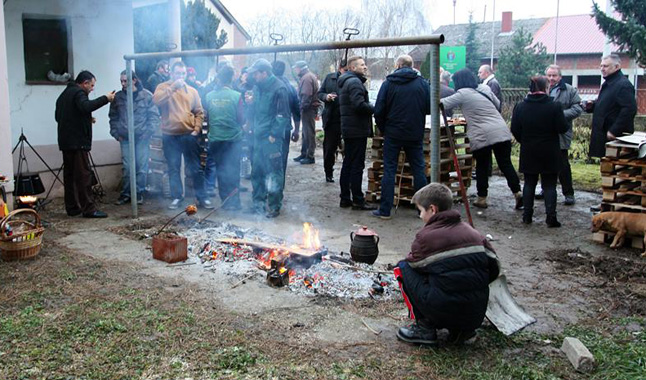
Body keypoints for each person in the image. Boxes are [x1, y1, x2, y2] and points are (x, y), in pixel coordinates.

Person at [394, 183, 500, 346]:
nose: (420, 216)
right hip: (475, 315)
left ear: (432, 209)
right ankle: (461, 330)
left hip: (442, 312)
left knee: (403, 267)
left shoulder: (425, 237)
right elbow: (494, 269)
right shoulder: (473, 233)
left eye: (421, 211)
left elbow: (415, 266)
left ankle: (424, 328)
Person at [441, 68, 522, 210]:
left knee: (482, 166)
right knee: (506, 164)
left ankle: (482, 198)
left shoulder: (462, 93)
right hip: (501, 130)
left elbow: (441, 104)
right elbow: (497, 105)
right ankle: (518, 193)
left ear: (459, 82)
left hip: (481, 134)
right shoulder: (485, 88)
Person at [373, 55, 429, 220]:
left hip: (393, 133)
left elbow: (378, 110)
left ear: (398, 65)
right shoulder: (423, 84)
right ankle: (422, 210)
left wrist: (384, 128)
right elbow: (429, 107)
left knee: (389, 169)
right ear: (412, 66)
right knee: (418, 169)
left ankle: (385, 210)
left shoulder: (388, 84)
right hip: (414, 133)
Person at [153, 61, 212, 210]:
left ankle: (202, 198)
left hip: (188, 135)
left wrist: (196, 129)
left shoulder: (192, 91)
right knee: (173, 168)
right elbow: (157, 101)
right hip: (170, 135)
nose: (181, 76)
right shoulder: (163, 87)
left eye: (183, 74)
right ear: (171, 74)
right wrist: (173, 88)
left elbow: (199, 112)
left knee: (196, 168)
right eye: (178, 73)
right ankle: (177, 197)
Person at [55, 70, 115, 218]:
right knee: (83, 175)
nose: (92, 88)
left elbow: (60, 117)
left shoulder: (64, 95)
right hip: (77, 142)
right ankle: (89, 209)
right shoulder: (78, 93)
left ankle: (73, 207)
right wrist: (106, 98)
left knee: (70, 176)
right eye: (92, 85)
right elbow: (86, 106)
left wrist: (85, 120)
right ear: (85, 83)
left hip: (66, 141)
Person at [511, 76, 568, 227]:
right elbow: (563, 128)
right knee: (549, 185)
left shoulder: (520, 106)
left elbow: (514, 129)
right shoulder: (554, 106)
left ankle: (527, 216)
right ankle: (551, 218)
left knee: (529, 183)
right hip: (550, 150)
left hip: (529, 149)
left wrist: (525, 140)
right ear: (546, 88)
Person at [246, 58, 292, 218]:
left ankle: (274, 206)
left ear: (264, 73)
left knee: (273, 173)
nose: (253, 77)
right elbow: (257, 111)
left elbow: (283, 115)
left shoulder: (279, 88)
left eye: (255, 74)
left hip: (271, 140)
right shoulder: (257, 87)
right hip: (258, 138)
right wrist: (250, 103)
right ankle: (258, 204)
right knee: (257, 171)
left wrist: (274, 135)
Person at [109, 70, 160, 206]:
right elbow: (113, 117)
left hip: (142, 137)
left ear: (134, 80)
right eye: (121, 81)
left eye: (125, 81)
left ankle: (138, 193)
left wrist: (148, 132)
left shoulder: (147, 96)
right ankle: (125, 194)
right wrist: (115, 133)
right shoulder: (118, 97)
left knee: (141, 167)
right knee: (127, 167)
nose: (123, 84)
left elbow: (154, 116)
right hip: (125, 137)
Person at [535, 65, 583, 206]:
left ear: (560, 77)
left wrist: (559, 116)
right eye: (549, 75)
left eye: (554, 75)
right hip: (543, 133)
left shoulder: (569, 90)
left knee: (562, 164)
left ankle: (568, 193)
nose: (551, 78)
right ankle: (545, 189)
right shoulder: (540, 88)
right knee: (544, 163)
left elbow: (577, 108)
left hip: (561, 133)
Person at [337, 56, 376, 211]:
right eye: (361, 65)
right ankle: (358, 200)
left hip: (350, 128)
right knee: (356, 166)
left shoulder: (347, 81)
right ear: (352, 68)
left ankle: (345, 198)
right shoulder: (354, 82)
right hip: (356, 129)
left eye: (364, 64)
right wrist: (375, 108)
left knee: (348, 164)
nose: (365, 67)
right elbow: (359, 105)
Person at [204, 65, 244, 210]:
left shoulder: (209, 96)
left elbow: (207, 118)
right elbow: (241, 119)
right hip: (233, 140)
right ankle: (234, 203)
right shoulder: (236, 96)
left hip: (215, 139)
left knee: (221, 170)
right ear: (232, 77)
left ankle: (225, 202)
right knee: (233, 171)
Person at [587, 54, 637, 158]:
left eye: (605, 66)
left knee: (615, 168)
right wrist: (593, 106)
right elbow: (609, 105)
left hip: (615, 137)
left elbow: (629, 109)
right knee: (605, 167)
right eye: (601, 66)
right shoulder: (609, 83)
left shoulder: (623, 85)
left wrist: (615, 130)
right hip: (603, 133)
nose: (602, 69)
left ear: (617, 67)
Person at [317, 60, 347, 183]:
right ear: (340, 68)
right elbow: (320, 93)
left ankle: (346, 175)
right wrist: (326, 97)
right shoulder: (330, 78)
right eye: (345, 70)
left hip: (347, 118)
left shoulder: (353, 79)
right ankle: (328, 172)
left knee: (347, 148)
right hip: (332, 118)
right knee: (329, 148)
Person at [272, 60, 301, 178]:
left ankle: (270, 188)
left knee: (269, 159)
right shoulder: (290, 88)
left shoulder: (269, 87)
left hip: (270, 129)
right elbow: (297, 111)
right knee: (282, 157)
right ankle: (279, 188)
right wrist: (296, 130)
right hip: (285, 129)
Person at [292, 60, 320, 165]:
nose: (295, 70)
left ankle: (310, 156)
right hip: (308, 108)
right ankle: (304, 154)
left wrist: (303, 107)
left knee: (309, 133)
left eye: (296, 68)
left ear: (300, 68)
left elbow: (306, 95)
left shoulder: (307, 78)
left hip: (308, 109)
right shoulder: (307, 77)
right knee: (305, 132)